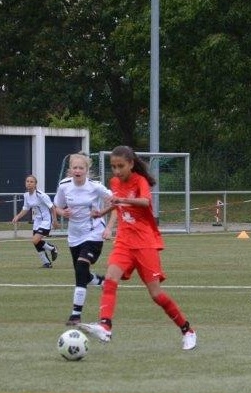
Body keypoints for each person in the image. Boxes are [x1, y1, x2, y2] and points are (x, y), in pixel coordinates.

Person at [78, 146, 197, 351]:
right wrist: (103, 212)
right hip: (124, 242)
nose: (116, 171)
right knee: (110, 280)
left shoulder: (140, 181)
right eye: (113, 167)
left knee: (156, 294)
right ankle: (105, 326)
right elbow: (117, 204)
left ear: (131, 164)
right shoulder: (114, 182)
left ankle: (187, 330)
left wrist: (121, 199)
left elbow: (144, 201)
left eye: (121, 166)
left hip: (144, 243)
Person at [53, 152, 112, 326]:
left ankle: (75, 315)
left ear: (87, 170)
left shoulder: (95, 187)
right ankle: (101, 281)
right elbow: (56, 206)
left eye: (81, 168)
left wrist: (108, 226)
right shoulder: (64, 186)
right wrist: (62, 212)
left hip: (94, 234)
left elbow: (115, 202)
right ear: (70, 169)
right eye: (75, 168)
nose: (77, 171)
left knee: (80, 268)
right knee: (82, 273)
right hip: (74, 236)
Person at [11, 175, 58, 268]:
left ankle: (53, 248)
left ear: (35, 184)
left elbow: (52, 207)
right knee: (35, 242)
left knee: (35, 240)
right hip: (37, 221)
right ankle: (47, 263)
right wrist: (17, 217)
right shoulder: (26, 195)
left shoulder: (41, 195)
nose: (29, 183)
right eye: (27, 181)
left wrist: (55, 220)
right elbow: (26, 208)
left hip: (46, 220)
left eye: (31, 182)